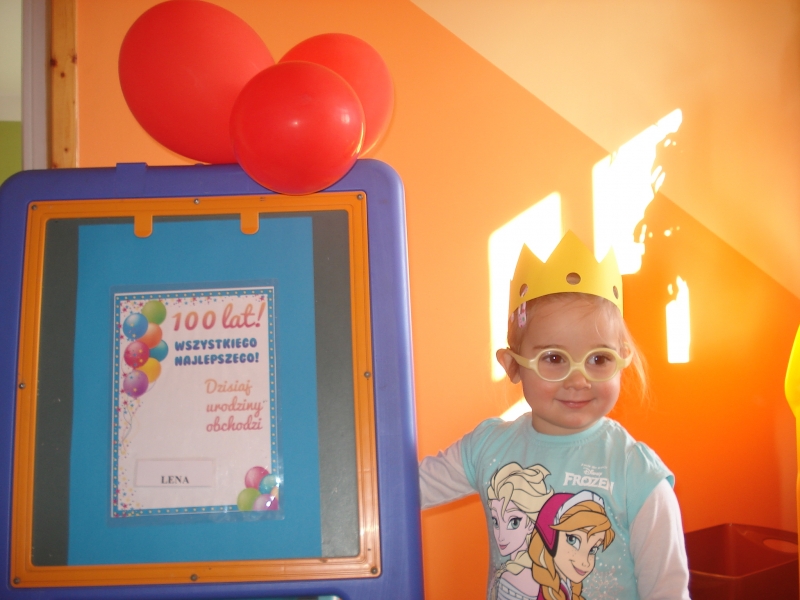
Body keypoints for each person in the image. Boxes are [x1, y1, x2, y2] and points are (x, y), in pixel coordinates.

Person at [419, 231, 690, 599]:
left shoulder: (636, 473)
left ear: (621, 360)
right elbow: (400, 491)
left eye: (599, 359)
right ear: (513, 366)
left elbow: (668, 590)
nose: (578, 380)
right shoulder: (486, 448)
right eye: (554, 358)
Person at [486, 462, 553, 600]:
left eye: (514, 522)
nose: (501, 536)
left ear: (531, 523)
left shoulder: (516, 577)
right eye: (496, 522)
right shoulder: (510, 571)